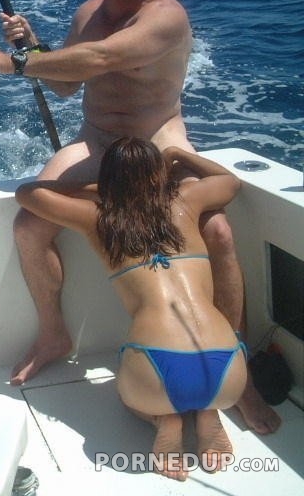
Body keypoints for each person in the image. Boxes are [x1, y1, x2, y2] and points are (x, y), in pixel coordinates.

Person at [0, 0, 280, 434]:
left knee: (218, 231)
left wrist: (15, 65)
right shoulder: (88, 13)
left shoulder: (167, 18)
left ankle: (236, 362)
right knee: (29, 225)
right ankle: (53, 334)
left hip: (157, 141)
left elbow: (103, 56)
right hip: (97, 139)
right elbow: (68, 84)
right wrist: (33, 48)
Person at [16, 138, 246, 481]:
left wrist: (93, 188)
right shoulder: (187, 200)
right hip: (229, 372)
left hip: (155, 375)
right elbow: (231, 182)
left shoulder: (97, 217)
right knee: (205, 376)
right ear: (159, 175)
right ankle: (208, 411)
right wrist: (177, 155)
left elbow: (26, 194)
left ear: (108, 180)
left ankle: (163, 418)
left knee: (130, 394)